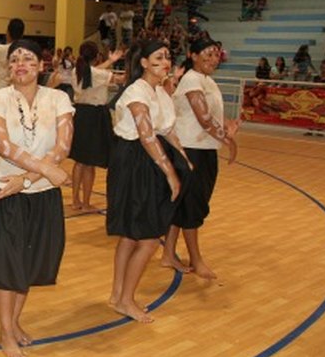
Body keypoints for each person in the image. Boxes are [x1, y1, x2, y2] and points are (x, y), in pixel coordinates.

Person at [0, 38, 73, 357]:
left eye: (28, 59)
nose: (20, 65)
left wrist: (28, 178)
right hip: (1, 191)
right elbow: (2, 145)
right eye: (14, 60)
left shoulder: (58, 99)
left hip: (40, 194)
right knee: (6, 266)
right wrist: (46, 169)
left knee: (28, 265)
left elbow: (62, 147)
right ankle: (5, 332)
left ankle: (13, 322)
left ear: (41, 65)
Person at [106, 39, 192, 323]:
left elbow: (167, 131)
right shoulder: (137, 91)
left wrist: (183, 157)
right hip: (134, 163)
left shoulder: (160, 92)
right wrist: (170, 173)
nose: (166, 62)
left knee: (131, 235)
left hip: (148, 160)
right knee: (148, 238)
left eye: (168, 57)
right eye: (159, 57)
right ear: (144, 62)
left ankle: (118, 295)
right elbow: (146, 135)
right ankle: (125, 299)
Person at [162, 37, 240, 279]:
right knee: (193, 206)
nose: (213, 59)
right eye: (207, 54)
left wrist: (227, 126)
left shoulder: (207, 81)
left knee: (184, 204)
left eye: (216, 55)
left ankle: (168, 254)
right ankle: (196, 260)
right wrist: (229, 141)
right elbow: (203, 118)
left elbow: (212, 116)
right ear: (193, 56)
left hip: (203, 148)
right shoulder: (192, 80)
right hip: (191, 149)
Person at [68, 41, 124, 212]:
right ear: (96, 56)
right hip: (95, 116)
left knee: (79, 161)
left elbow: (94, 71)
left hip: (80, 114)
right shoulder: (97, 73)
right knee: (90, 163)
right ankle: (86, 203)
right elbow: (119, 79)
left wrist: (110, 61)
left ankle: (75, 200)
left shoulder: (77, 70)